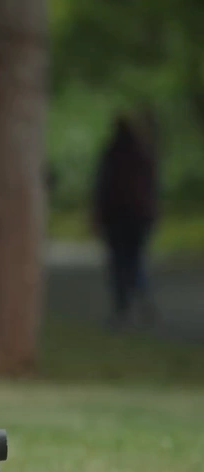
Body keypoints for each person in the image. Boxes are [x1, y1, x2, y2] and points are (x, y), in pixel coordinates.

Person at [92, 111, 160, 327]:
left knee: (119, 262)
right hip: (139, 216)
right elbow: (153, 187)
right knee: (135, 259)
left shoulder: (112, 154)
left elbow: (102, 187)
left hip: (116, 217)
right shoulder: (144, 153)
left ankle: (123, 306)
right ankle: (141, 298)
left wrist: (96, 216)